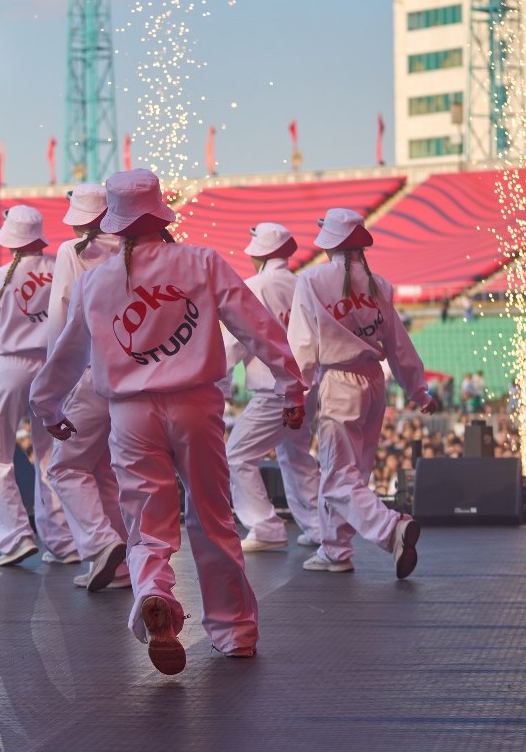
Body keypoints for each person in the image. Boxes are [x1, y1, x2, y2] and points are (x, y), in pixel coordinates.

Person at [30, 168, 307, 675]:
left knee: (147, 528)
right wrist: (291, 385)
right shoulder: (201, 261)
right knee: (213, 516)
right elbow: (257, 325)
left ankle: (155, 593)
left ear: (113, 222)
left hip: (130, 413)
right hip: (196, 404)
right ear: (160, 213)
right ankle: (235, 631)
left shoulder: (95, 281)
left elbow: (67, 353)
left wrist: (48, 408)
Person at [287, 208, 437, 577]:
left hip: (339, 383)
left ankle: (391, 529)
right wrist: (418, 390)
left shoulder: (311, 280)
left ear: (330, 245)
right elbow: (399, 344)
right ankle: (336, 549)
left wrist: (293, 394)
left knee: (338, 476)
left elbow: (302, 346)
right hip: (374, 383)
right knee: (353, 474)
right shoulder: (378, 284)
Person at [0, 206, 76, 567]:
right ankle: (64, 541)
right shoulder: (60, 267)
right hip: (54, 367)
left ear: (10, 240)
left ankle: (16, 537)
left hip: (10, 367)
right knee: (52, 455)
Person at [43, 183, 130, 592]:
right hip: (133, 374)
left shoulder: (72, 251)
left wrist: (54, 385)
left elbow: (61, 317)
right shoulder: (133, 246)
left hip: (91, 371)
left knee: (65, 466)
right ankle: (123, 565)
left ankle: (102, 542)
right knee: (103, 470)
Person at [222, 223, 322, 551]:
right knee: (296, 456)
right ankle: (321, 530)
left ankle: (265, 526)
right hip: (309, 384)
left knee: (236, 454)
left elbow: (234, 342)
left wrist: (215, 383)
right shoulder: (304, 284)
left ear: (258, 254)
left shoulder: (253, 286)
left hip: (274, 388)